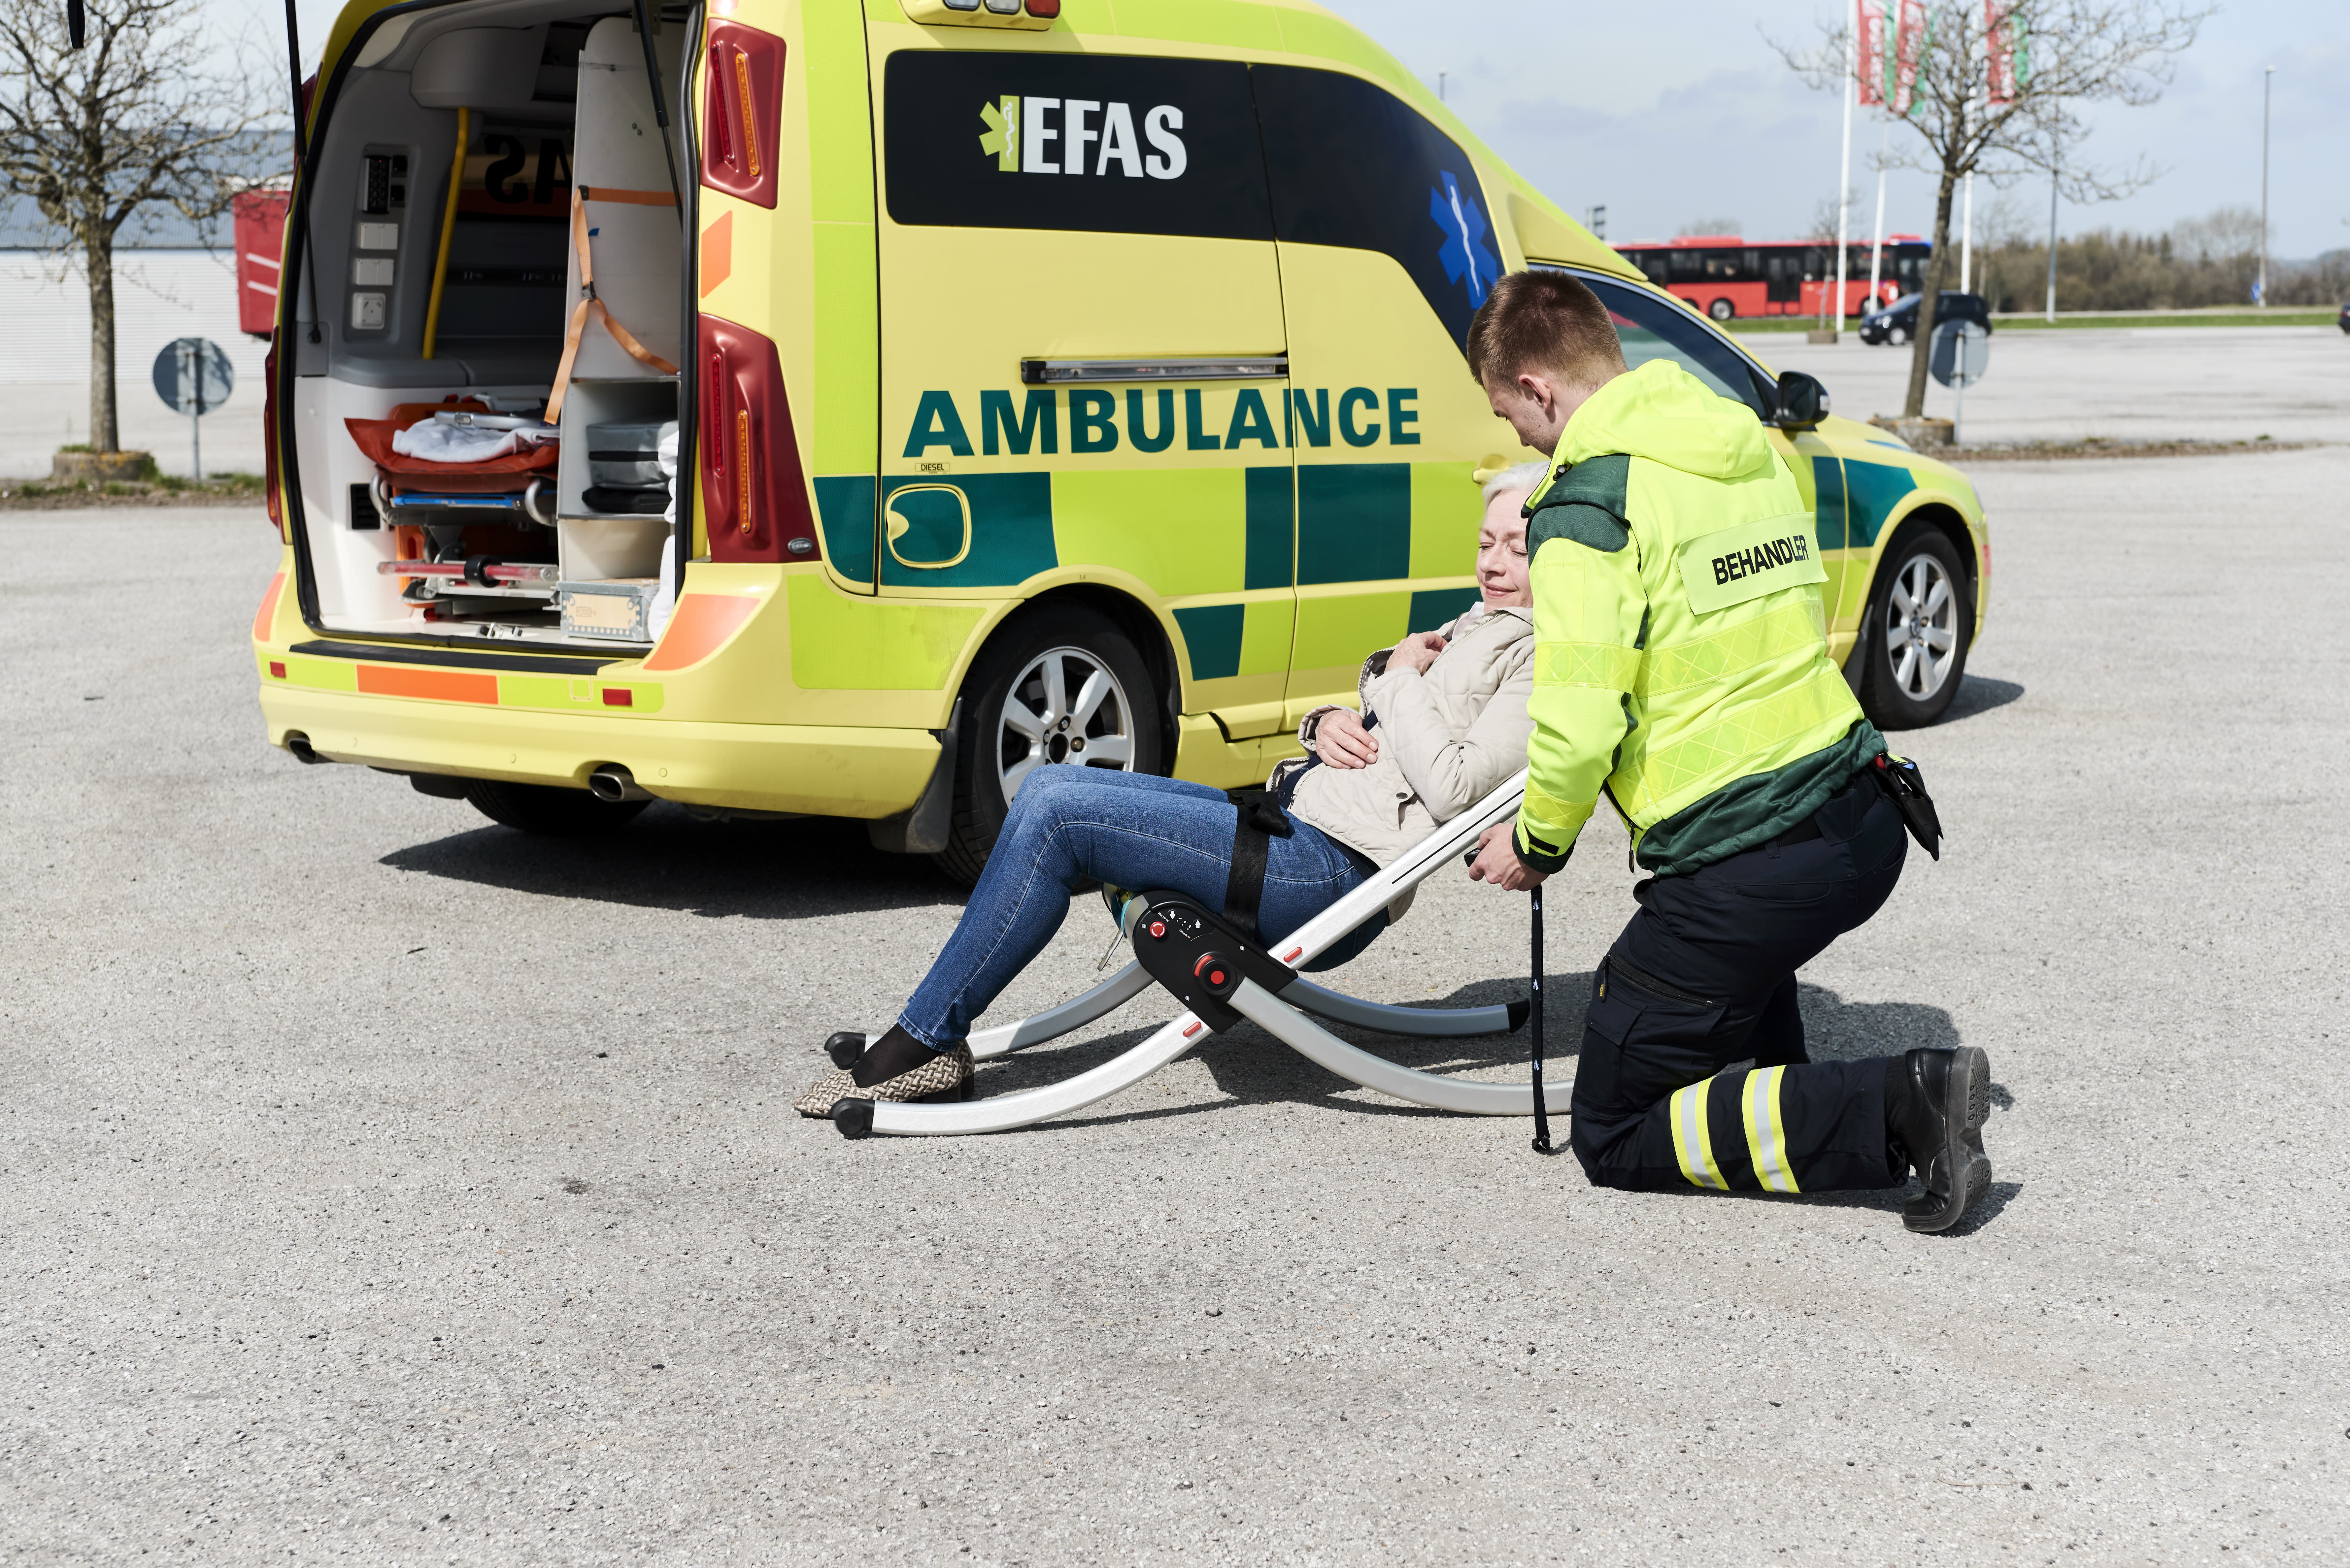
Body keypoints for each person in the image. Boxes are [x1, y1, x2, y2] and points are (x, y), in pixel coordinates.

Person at [1459, 270, 1991, 1235]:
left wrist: (1538, 843)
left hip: (1747, 862)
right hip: (1863, 813)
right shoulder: (1741, 452)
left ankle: (1904, 1107)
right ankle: (1780, 1089)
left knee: (1615, 1125)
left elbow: (1578, 725)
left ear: (1537, 387)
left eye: (1510, 415)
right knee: (1734, 1053)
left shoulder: (1585, 508)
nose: (1520, 441)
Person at [794, 466, 1549, 1117]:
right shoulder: (1475, 624)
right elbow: (1382, 726)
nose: (1493, 562)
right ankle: (931, 1028)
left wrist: (1396, 676)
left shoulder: (1541, 654)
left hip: (1328, 878)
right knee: (1055, 782)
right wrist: (1324, 721)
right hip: (1292, 824)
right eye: (1485, 543)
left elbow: (1453, 787)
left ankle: (925, 1042)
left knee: (1059, 813)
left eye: (1516, 548)